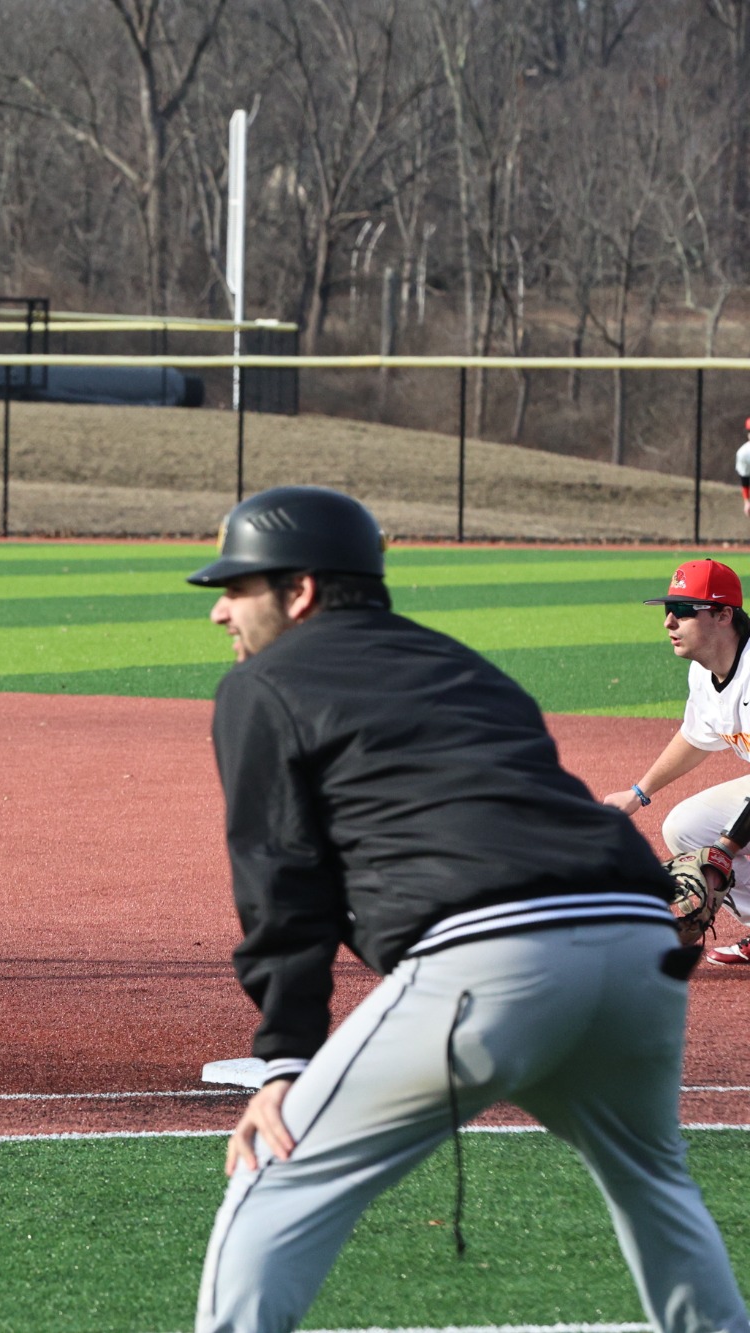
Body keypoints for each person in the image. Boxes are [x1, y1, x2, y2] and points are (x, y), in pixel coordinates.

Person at [189, 485, 747, 1333]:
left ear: (299, 590)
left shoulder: (263, 685)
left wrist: (283, 1060)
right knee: (656, 1187)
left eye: (239, 587)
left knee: (275, 1168)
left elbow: (281, 879)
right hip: (640, 938)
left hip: (498, 955)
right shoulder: (458, 663)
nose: (222, 612)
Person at [601, 558, 750, 965]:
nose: (669, 621)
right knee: (685, 828)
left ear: (723, 615)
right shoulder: (705, 672)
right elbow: (696, 736)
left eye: (683, 610)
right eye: (668, 609)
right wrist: (638, 793)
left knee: (719, 847)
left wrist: (725, 848)